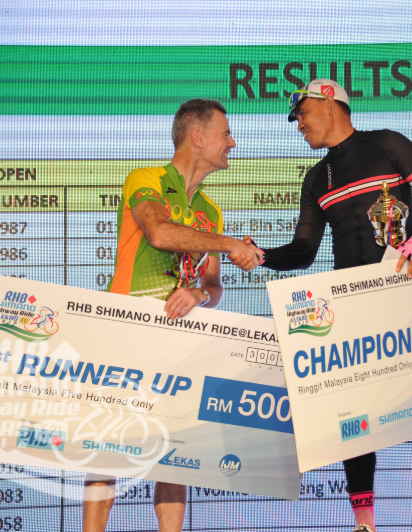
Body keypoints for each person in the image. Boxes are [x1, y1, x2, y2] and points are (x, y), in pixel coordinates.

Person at [230, 79, 412, 532]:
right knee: (354, 418)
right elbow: (304, 251)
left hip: (402, 296)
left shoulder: (387, 145)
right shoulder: (316, 178)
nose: (298, 125)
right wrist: (263, 255)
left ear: (330, 103)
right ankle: (364, 525)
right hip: (350, 307)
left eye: (302, 114)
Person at [83, 99, 262, 532]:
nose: (232, 143)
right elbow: (160, 233)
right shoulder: (146, 179)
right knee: (107, 450)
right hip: (123, 332)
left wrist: (199, 293)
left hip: (177, 345)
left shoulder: (211, 212)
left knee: (175, 455)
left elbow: (214, 286)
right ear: (198, 137)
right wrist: (229, 244)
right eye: (225, 134)